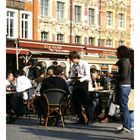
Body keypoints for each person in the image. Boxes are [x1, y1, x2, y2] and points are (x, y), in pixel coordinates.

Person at [107, 45, 131, 133]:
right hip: (125, 86)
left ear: (121, 53)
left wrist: (112, 75)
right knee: (123, 106)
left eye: (117, 52)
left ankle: (127, 127)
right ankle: (126, 126)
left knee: (124, 107)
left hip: (123, 86)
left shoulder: (124, 62)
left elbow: (124, 76)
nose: (116, 54)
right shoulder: (126, 61)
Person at [67, 51, 94, 124]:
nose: (71, 61)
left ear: (75, 58)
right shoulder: (73, 66)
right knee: (75, 102)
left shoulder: (84, 63)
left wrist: (80, 80)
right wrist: (67, 83)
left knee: (85, 102)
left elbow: (88, 76)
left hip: (84, 82)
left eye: (71, 59)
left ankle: (90, 118)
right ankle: (81, 118)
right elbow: (71, 77)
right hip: (76, 82)